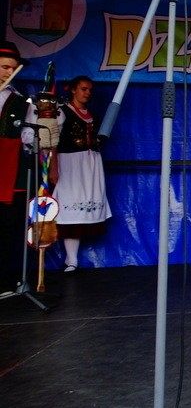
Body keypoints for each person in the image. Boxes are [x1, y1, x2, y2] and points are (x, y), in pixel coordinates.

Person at [53, 76, 112, 272]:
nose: (87, 93)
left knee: (85, 203)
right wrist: (53, 167)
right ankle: (71, 259)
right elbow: (52, 142)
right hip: (70, 164)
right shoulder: (62, 112)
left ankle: (72, 259)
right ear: (73, 90)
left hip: (91, 164)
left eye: (90, 90)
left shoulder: (92, 115)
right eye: (83, 89)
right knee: (70, 206)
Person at [0, 41, 31, 291]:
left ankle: (6, 280)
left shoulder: (21, 102)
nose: (9, 72)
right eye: (4, 67)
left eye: (13, 68)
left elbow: (29, 139)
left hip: (8, 174)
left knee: (8, 228)